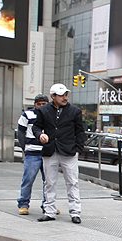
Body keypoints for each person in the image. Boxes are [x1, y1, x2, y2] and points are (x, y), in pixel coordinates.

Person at [33, 83, 86, 224]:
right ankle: (49, 211)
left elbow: (80, 131)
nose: (65, 97)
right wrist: (40, 135)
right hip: (50, 150)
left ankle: (75, 212)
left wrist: (78, 149)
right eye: (61, 95)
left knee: (73, 182)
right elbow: (36, 127)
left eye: (66, 95)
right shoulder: (43, 110)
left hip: (69, 151)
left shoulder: (75, 111)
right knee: (49, 183)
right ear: (53, 96)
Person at [16, 94, 48, 215]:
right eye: (39, 104)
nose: (41, 106)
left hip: (47, 153)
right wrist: (24, 148)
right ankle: (23, 204)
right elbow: (20, 132)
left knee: (49, 181)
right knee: (28, 179)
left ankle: (48, 205)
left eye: (44, 104)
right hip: (32, 152)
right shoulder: (27, 115)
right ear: (35, 104)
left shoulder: (51, 115)